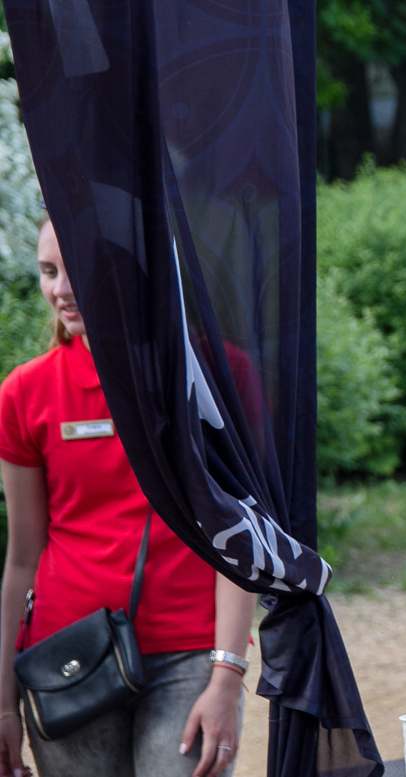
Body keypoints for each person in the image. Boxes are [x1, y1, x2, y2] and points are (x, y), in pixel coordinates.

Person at [0, 218, 258, 777]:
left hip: (193, 654)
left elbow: (242, 533)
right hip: (67, 656)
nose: (61, 291)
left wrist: (227, 676)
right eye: (48, 272)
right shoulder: (25, 392)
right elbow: (22, 558)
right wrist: (1, 706)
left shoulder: (217, 373)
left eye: (79, 272)